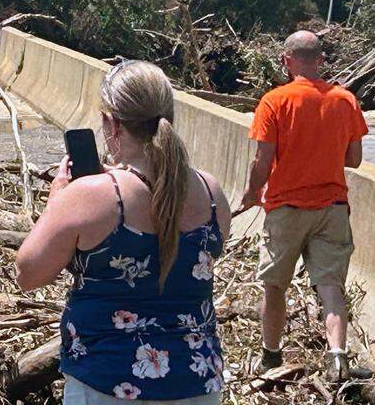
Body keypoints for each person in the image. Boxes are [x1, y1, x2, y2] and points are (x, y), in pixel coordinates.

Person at [16, 60, 231, 404]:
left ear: (111, 124)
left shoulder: (90, 196)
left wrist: (58, 203)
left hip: (108, 382)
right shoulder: (212, 191)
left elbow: (28, 273)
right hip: (197, 384)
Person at [239, 31, 368, 383]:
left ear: (286, 60)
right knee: (330, 285)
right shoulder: (345, 100)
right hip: (333, 208)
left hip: (286, 208)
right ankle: (338, 357)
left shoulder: (274, 101)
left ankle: (270, 356)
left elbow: (262, 160)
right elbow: (354, 159)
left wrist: (252, 192)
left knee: (275, 285)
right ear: (321, 61)